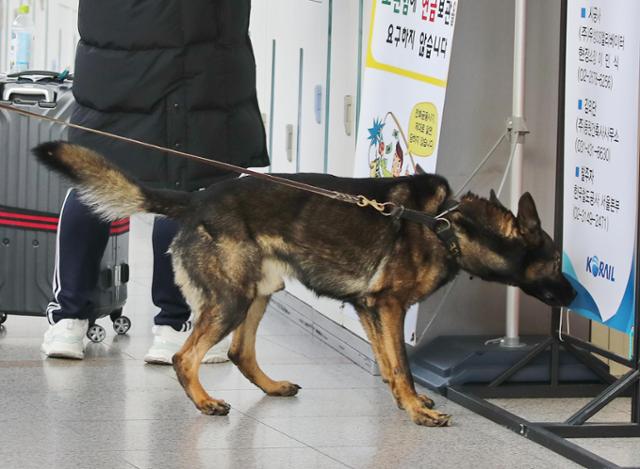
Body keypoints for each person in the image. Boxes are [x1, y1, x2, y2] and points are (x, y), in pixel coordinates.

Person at [41, 0, 269, 363]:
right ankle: (171, 328)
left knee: (95, 183)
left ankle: (68, 321)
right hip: (197, 65)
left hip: (113, 66)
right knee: (185, 189)